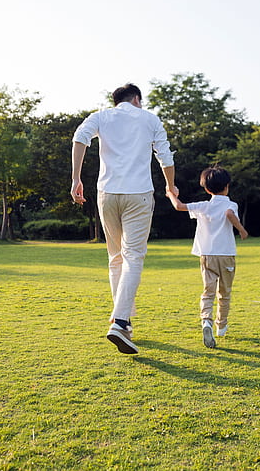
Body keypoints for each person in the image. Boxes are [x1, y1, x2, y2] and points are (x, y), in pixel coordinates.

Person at [71, 83, 177, 355]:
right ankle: (119, 321)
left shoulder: (101, 116)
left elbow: (80, 138)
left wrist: (76, 179)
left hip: (107, 193)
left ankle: (125, 322)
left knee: (115, 258)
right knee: (132, 257)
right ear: (137, 99)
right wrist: (170, 186)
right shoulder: (150, 119)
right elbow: (164, 155)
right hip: (138, 194)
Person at [165, 165, 248, 348]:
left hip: (207, 255)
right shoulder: (230, 204)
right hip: (226, 255)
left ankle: (206, 321)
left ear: (207, 188)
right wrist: (241, 230)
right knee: (224, 293)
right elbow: (228, 214)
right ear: (227, 186)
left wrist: (170, 193)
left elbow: (179, 207)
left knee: (208, 291)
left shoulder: (203, 206)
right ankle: (221, 327)